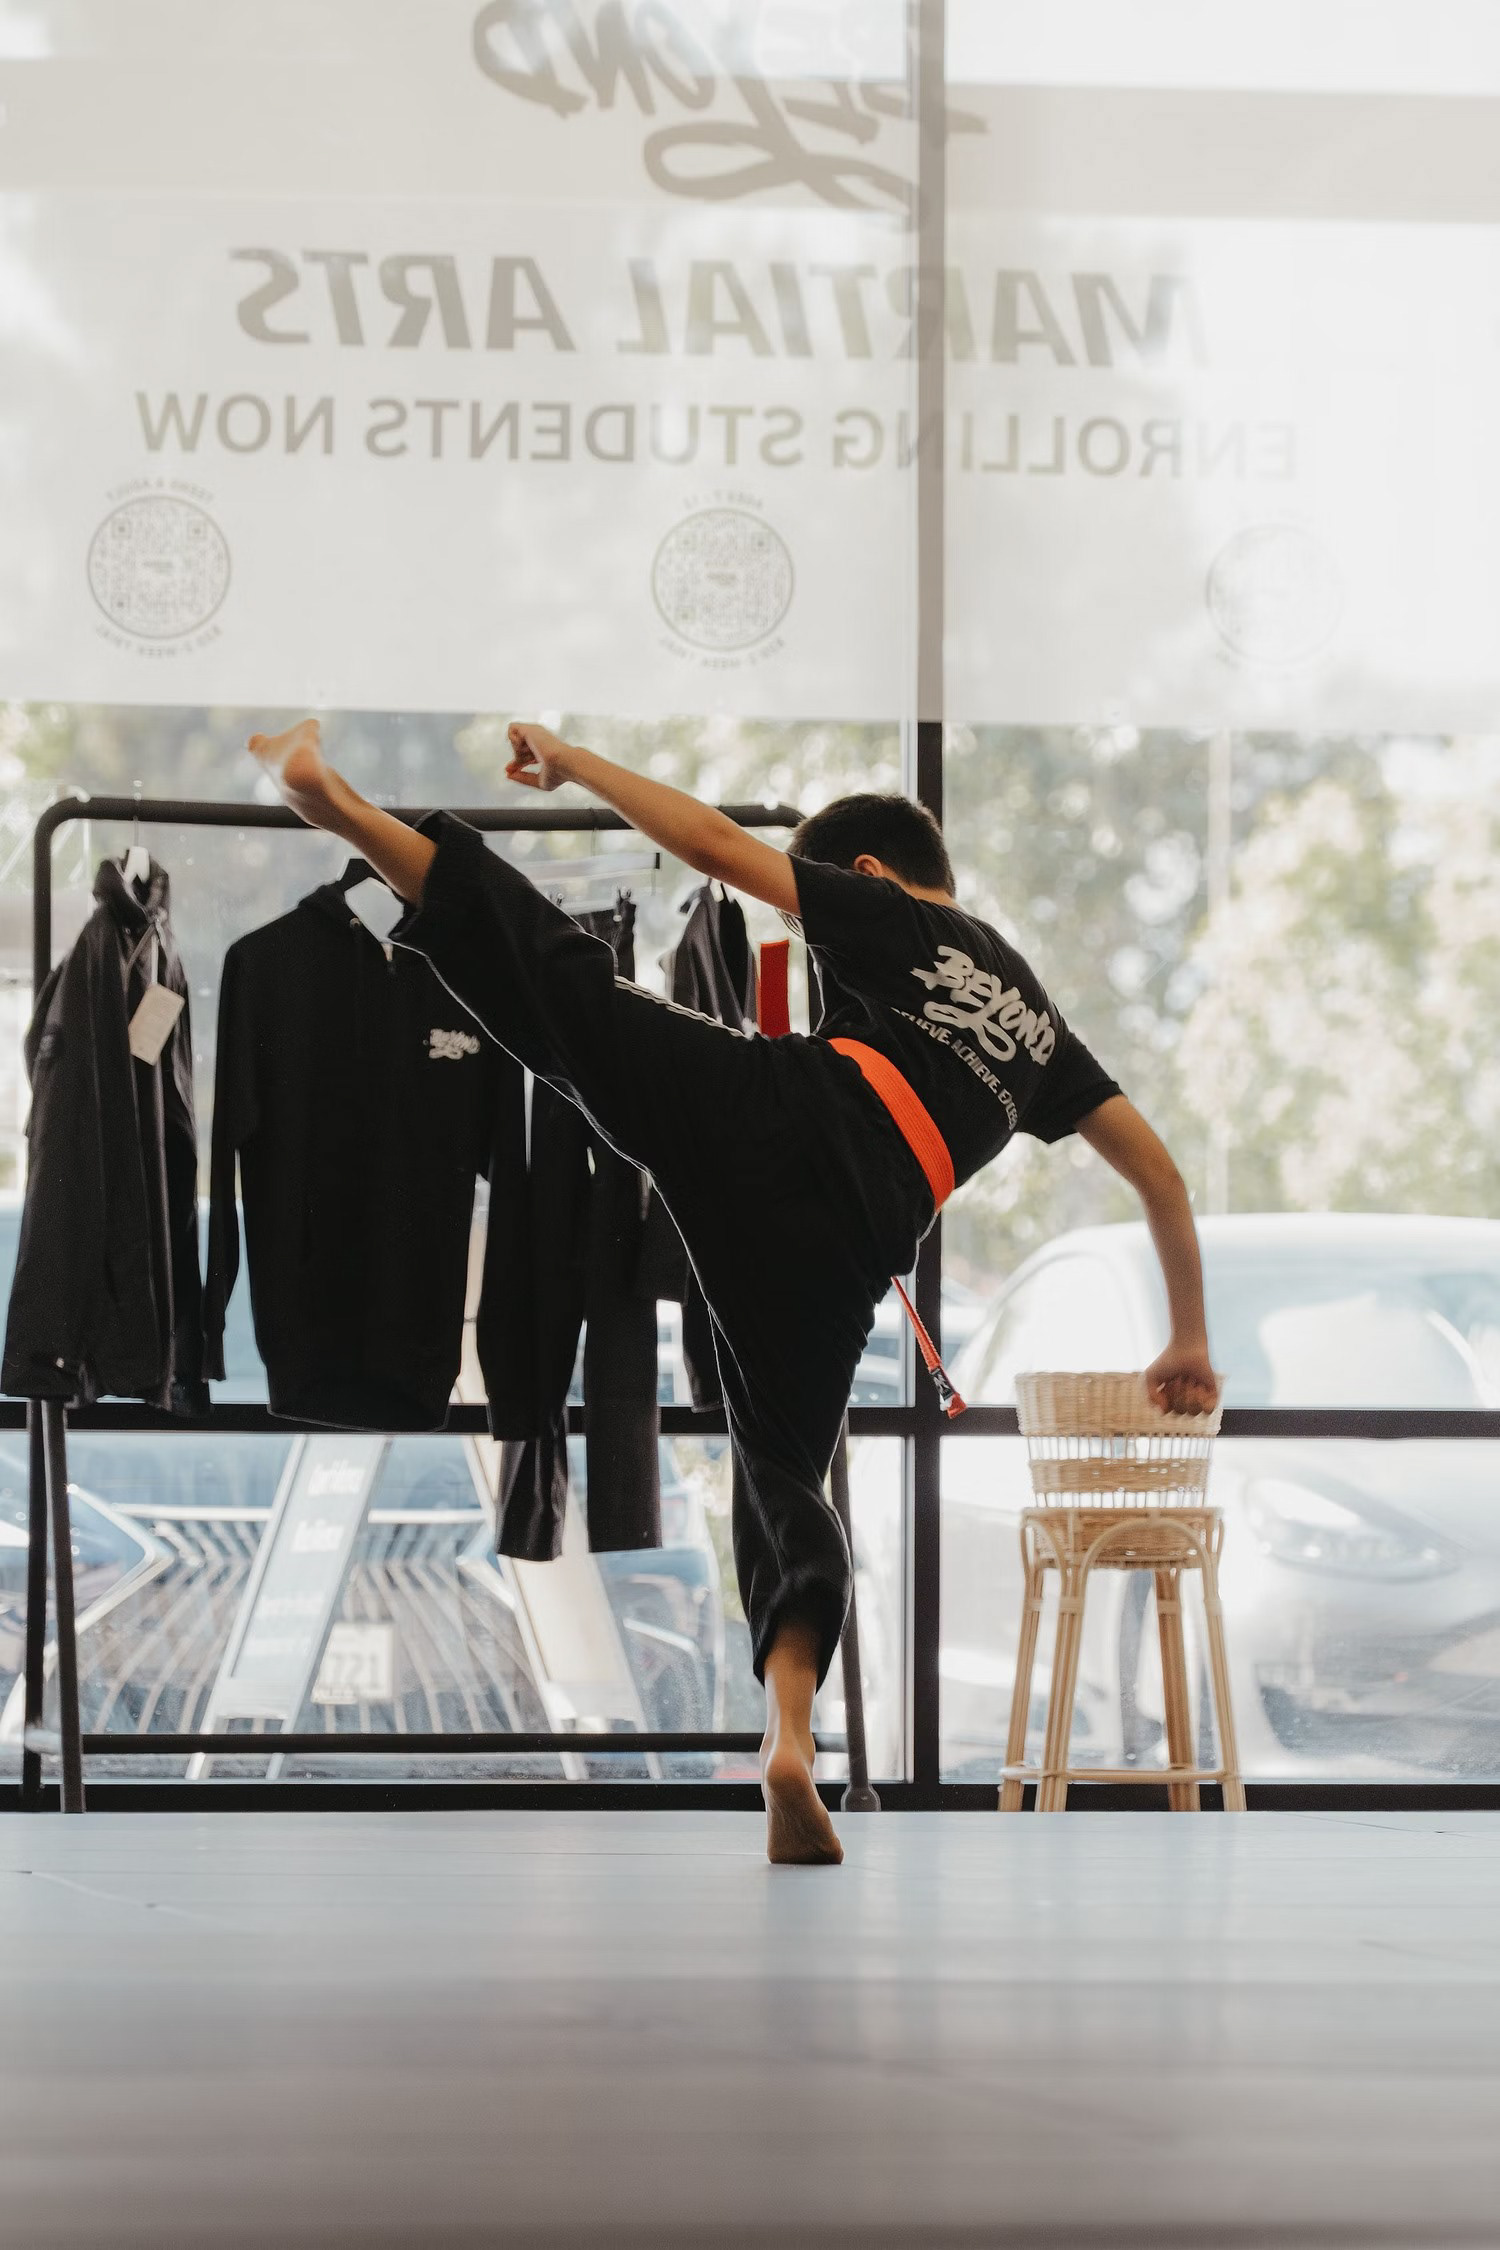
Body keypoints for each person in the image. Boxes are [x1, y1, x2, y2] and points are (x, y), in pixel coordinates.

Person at [245, 717, 1219, 1865]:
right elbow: (1159, 1174)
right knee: (787, 1477)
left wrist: (573, 763)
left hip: (779, 1113)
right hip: (856, 1239)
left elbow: (712, 845)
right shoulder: (1046, 1034)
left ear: (865, 873)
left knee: (564, 988)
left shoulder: (896, 916)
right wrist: (1187, 1340)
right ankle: (789, 1739)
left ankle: (339, 805)